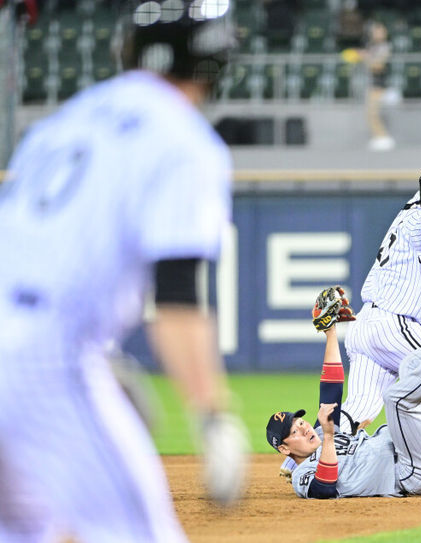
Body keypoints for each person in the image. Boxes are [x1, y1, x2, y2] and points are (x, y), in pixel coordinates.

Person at [0, 1, 248, 541]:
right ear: (213, 64)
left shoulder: (63, 121)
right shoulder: (184, 141)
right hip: (48, 363)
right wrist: (212, 415)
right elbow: (177, 298)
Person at [279, 117, 421, 483]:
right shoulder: (416, 221)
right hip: (393, 324)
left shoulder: (419, 200)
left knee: (356, 411)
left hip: (368, 327)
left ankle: (296, 461)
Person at [268, 285, 421, 499]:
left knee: (409, 365)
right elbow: (324, 489)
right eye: (295, 430)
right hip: (415, 472)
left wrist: (330, 332)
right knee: (395, 400)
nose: (304, 427)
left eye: (300, 421)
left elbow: (331, 388)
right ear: (285, 449)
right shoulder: (303, 475)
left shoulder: (323, 432)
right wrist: (331, 437)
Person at [362, 21, 395, 151]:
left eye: (379, 31)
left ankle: (383, 137)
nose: (376, 33)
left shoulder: (384, 46)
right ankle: (379, 136)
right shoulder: (373, 46)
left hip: (380, 85)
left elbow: (378, 66)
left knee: (374, 113)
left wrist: (365, 58)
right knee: (370, 113)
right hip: (373, 84)